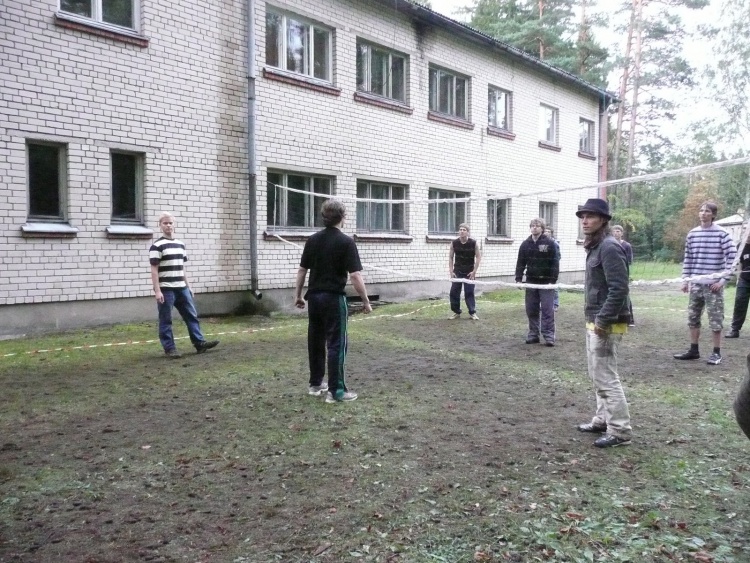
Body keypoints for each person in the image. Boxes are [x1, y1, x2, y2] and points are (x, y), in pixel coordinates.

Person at [295, 199, 372, 403]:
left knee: (316, 341)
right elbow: (355, 275)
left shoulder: (313, 240)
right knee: (336, 343)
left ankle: (315, 384)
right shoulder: (346, 242)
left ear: (324, 217)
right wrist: (366, 301)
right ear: (342, 218)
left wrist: (298, 296)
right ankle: (336, 391)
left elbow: (302, 270)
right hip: (333, 299)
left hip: (314, 299)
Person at [575, 198, 632, 448]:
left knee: (606, 376)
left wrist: (603, 320)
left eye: (590, 216)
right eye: (583, 216)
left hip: (607, 322)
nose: (585, 221)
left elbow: (619, 288)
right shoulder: (596, 246)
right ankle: (602, 420)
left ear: (603, 220)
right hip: (595, 319)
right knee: (597, 374)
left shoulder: (609, 247)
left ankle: (620, 431)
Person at [149, 212, 220, 359]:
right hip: (166, 289)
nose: (168, 225)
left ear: (174, 224)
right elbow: (154, 270)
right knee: (166, 319)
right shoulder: (156, 246)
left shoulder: (180, 245)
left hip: (182, 288)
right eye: (165, 223)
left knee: (191, 316)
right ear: (160, 225)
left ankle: (199, 343)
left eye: (170, 223)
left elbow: (182, 268)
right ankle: (170, 349)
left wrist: (188, 286)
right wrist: (157, 290)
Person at [673, 201, 736, 365]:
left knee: (715, 320)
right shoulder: (692, 234)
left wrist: (722, 281)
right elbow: (688, 258)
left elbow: (733, 258)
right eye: (701, 210)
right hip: (696, 283)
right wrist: (685, 280)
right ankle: (693, 350)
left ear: (713, 215)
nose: (703, 213)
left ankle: (716, 353)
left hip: (713, 285)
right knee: (693, 318)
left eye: (707, 211)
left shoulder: (722, 234)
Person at [516, 218, 559, 345]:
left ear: (542, 228)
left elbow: (555, 262)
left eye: (537, 225)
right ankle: (533, 334)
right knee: (531, 309)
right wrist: (518, 279)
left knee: (547, 310)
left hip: (546, 283)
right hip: (531, 282)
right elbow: (520, 262)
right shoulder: (525, 244)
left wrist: (552, 280)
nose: (534, 227)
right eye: (533, 225)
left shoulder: (549, 243)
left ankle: (549, 335)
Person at [448, 223, 482, 320]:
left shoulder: (473, 243)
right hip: (457, 271)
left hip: (469, 272)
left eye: (464, 230)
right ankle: (456, 312)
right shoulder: (454, 243)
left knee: (469, 292)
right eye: (460, 230)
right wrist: (451, 271)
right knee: (454, 292)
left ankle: (472, 312)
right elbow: (450, 257)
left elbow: (478, 257)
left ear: (468, 232)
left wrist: (474, 271)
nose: (462, 231)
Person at [726, 231, 750, 339]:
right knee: (739, 303)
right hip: (744, 280)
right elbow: (739, 262)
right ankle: (734, 329)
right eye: (747, 234)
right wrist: (739, 277)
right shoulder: (741, 246)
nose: (748, 236)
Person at [611, 225, 635, 326]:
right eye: (614, 231)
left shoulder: (626, 245)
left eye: (618, 231)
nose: (616, 233)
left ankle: (630, 319)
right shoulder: (609, 244)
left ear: (622, 233)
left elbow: (629, 261)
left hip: (623, 274)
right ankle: (613, 318)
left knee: (625, 295)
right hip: (611, 274)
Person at [544, 227, 561, 311]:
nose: (546, 233)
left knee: (553, 286)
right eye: (545, 231)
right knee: (543, 286)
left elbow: (558, 256)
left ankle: (555, 304)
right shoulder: (541, 242)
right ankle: (544, 304)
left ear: (551, 233)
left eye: (548, 231)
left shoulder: (555, 243)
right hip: (543, 268)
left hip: (552, 268)